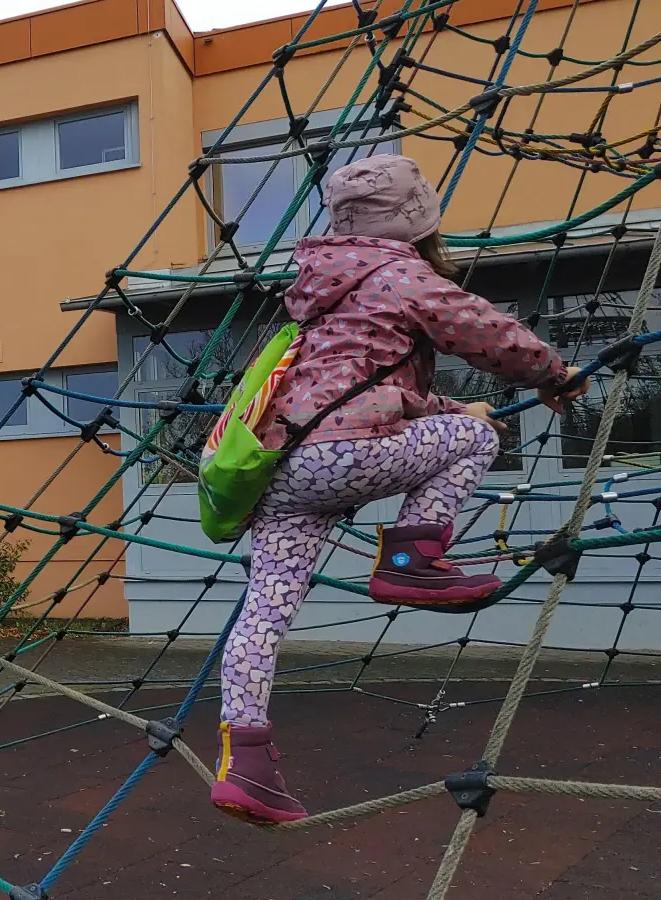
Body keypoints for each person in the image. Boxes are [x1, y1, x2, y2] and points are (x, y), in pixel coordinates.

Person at [209, 154, 588, 824]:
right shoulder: (403, 272)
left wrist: (447, 410)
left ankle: (249, 763)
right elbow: (487, 333)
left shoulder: (318, 291)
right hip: (348, 455)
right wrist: (553, 373)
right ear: (417, 223)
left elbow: (364, 383)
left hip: (286, 467)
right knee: (477, 442)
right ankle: (411, 558)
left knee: (264, 610)